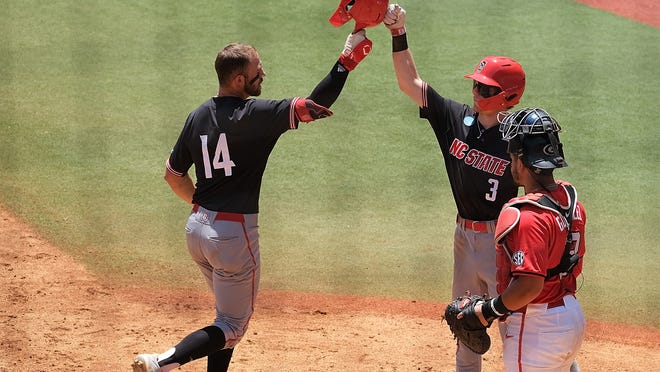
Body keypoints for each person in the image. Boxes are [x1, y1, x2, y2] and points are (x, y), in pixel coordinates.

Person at [131, 29, 373, 372]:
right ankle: (163, 362)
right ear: (240, 78)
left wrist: (203, 210)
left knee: (225, 317)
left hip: (196, 231)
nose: (264, 75)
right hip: (232, 237)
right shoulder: (255, 114)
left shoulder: (198, 114)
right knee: (232, 327)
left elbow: (173, 175)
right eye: (258, 71)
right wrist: (346, 61)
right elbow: (315, 106)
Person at [382, 4, 526, 371]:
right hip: (464, 237)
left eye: (486, 87)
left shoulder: (519, 138)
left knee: (519, 332)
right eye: (476, 83)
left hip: (503, 242)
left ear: (508, 96)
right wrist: (399, 33)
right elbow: (409, 84)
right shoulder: (455, 118)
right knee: (464, 325)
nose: (476, 90)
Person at [464, 107, 587, 371]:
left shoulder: (526, 215)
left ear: (521, 161)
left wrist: (487, 311)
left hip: (537, 328)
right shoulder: (571, 200)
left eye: (511, 155)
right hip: (570, 319)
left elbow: (529, 285)